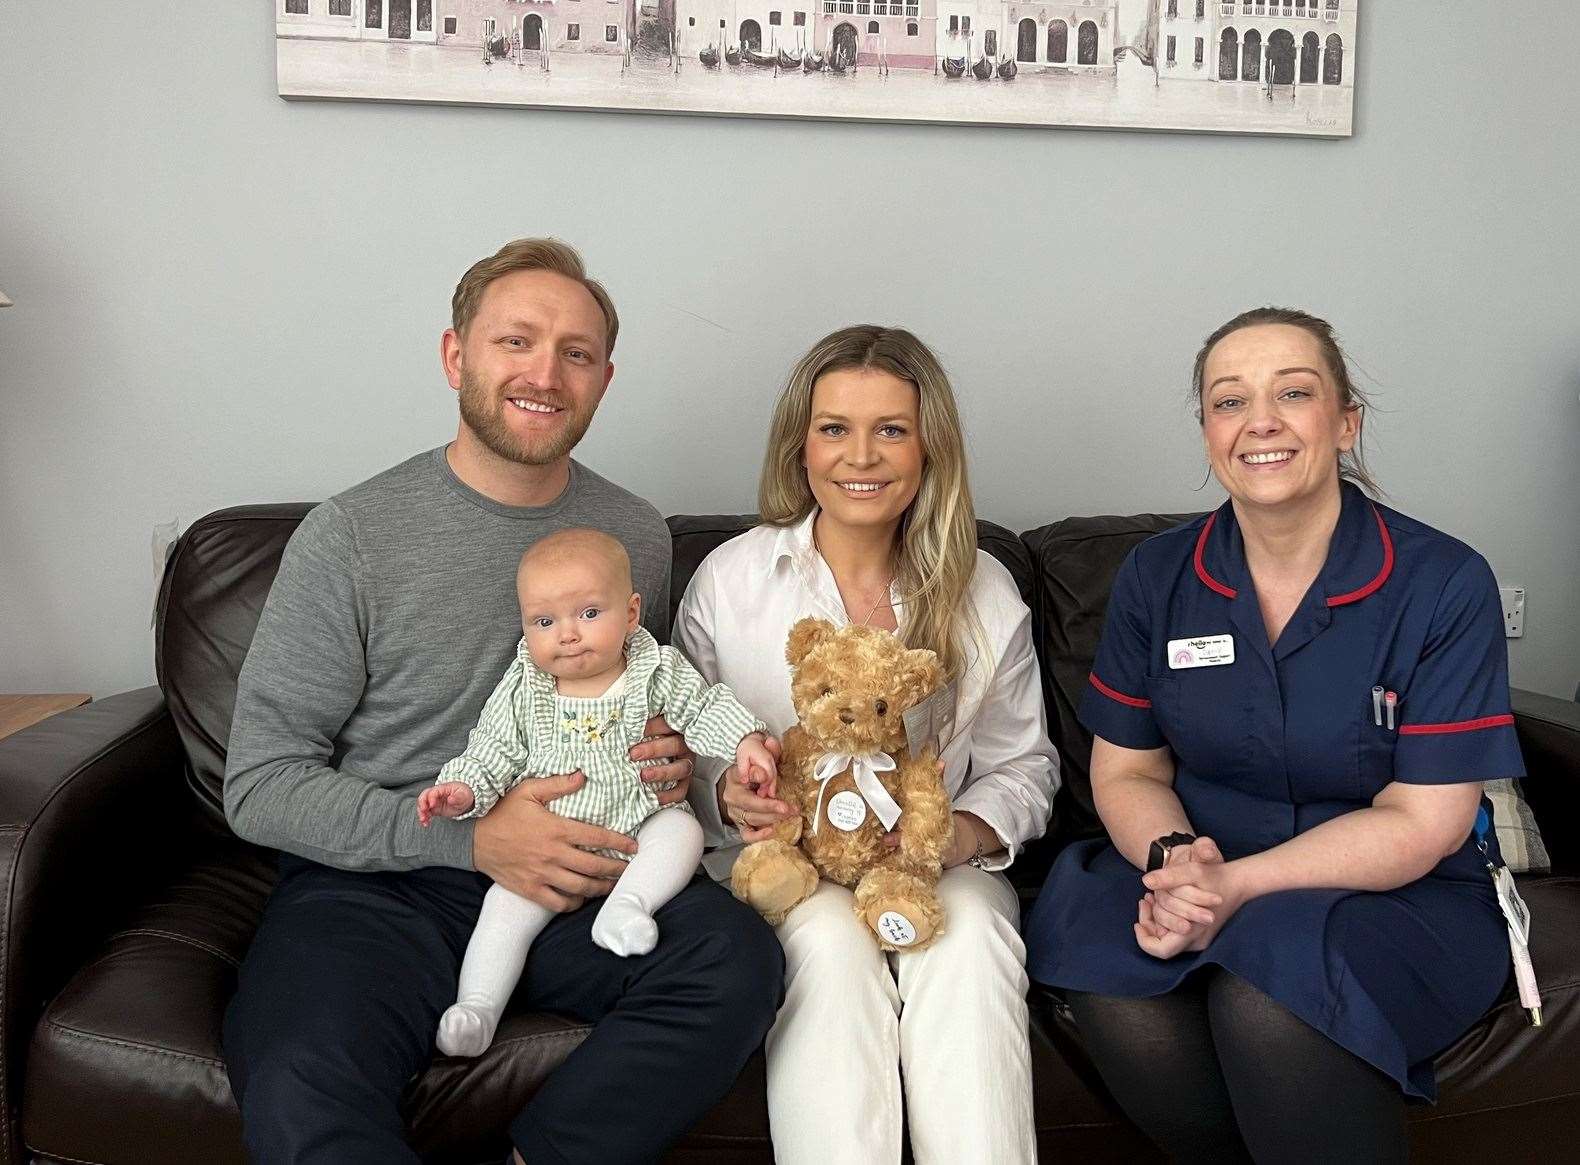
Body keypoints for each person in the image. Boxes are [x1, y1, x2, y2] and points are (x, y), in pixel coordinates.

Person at [221, 238, 784, 1165]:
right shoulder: (352, 535)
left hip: (583, 868)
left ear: (604, 378)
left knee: (736, 963)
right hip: (381, 884)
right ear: (456, 357)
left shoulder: (633, 532)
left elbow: (654, 698)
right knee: (294, 1070)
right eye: (514, 341)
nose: (545, 374)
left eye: (576, 352)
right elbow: (261, 784)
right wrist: (465, 837)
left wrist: (684, 770)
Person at [1024, 307, 1526, 1164]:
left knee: (1271, 996)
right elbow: (1129, 770)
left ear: (1345, 421)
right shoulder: (1158, 575)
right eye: (1229, 401)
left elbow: (1423, 821)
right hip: (1198, 863)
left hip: (1395, 892)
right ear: (1209, 431)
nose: (1260, 420)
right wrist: (1177, 862)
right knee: (1114, 977)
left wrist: (1236, 886)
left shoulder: (1443, 580)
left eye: (1294, 392)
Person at [673, 325, 1059, 1164]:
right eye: (835, 428)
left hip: (934, 863)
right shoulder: (731, 581)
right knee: (829, 948)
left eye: (892, 428)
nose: (863, 455)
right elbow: (685, 759)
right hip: (788, 866)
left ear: (929, 448)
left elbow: (1024, 764)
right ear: (801, 446)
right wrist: (726, 796)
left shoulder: (983, 588)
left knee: (971, 943)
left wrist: (958, 834)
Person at [419, 528, 776, 1057]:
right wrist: (463, 789)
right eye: (545, 622)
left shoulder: (654, 670)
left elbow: (702, 709)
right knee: (504, 909)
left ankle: (629, 905)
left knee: (678, 828)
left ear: (631, 614)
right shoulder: (524, 686)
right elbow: (492, 749)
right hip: (546, 845)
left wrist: (744, 741)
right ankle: (476, 1008)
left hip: (636, 825)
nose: (567, 634)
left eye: (588, 614)